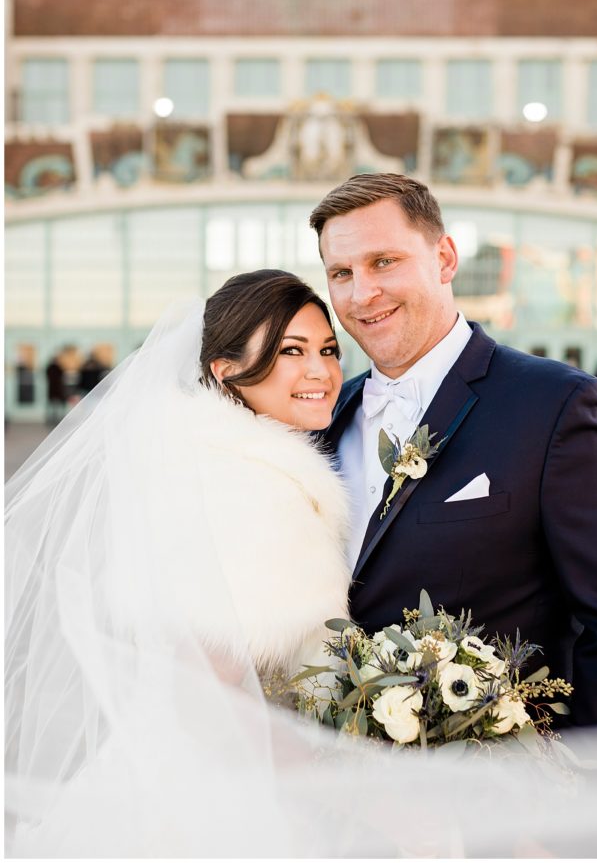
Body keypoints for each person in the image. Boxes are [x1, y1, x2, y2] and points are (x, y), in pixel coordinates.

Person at [309, 173, 597, 730]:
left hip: (502, 802)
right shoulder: (323, 419)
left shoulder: (558, 405)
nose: (361, 294)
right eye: (342, 273)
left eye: (384, 261)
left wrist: (573, 785)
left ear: (445, 258)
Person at [5, 270, 351, 856]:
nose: (320, 371)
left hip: (177, 772)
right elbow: (203, 693)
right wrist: (347, 784)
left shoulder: (200, 460)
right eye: (290, 352)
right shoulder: (251, 487)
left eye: (327, 350)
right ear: (225, 370)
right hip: (224, 795)